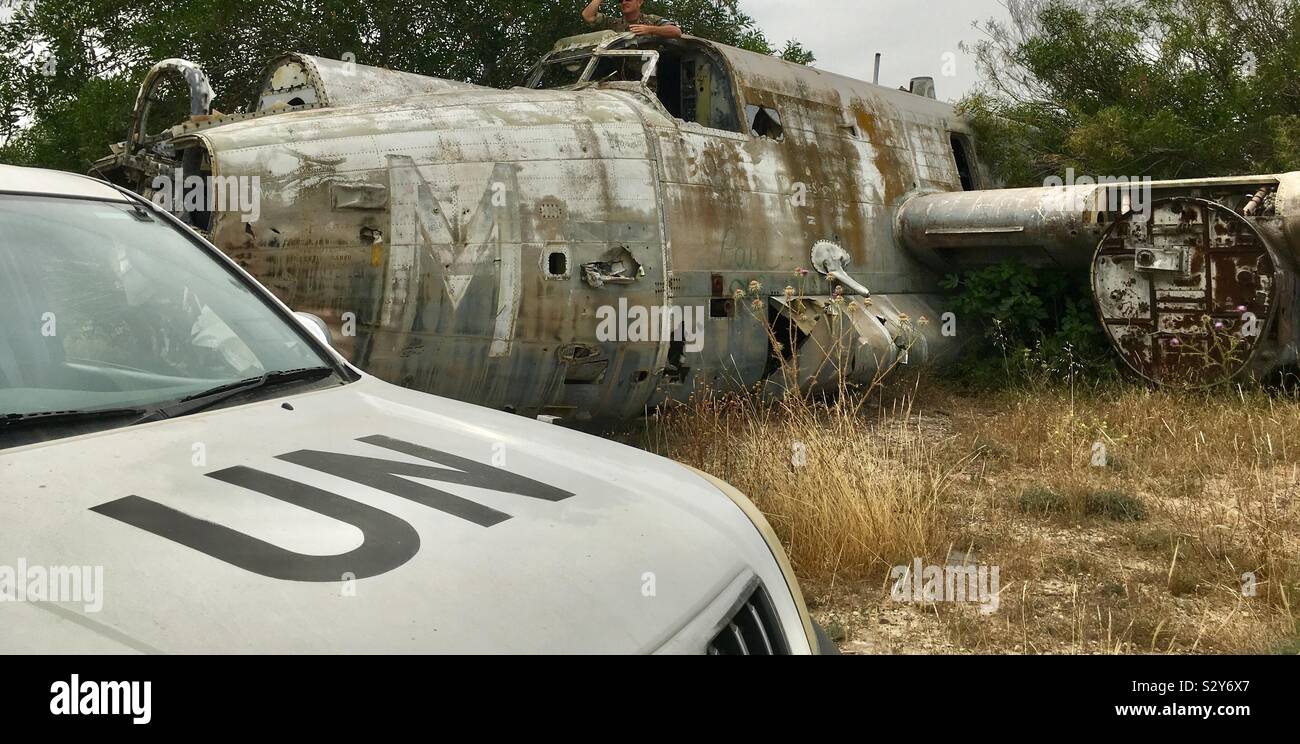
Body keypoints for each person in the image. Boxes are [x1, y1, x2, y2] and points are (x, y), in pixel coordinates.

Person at [582, 0, 683, 38]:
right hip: (618, 80)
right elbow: (588, 16)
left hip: (646, 79)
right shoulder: (613, 23)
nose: (624, 2)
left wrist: (650, 29)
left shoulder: (651, 20)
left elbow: (676, 31)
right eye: (621, 0)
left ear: (639, 2)